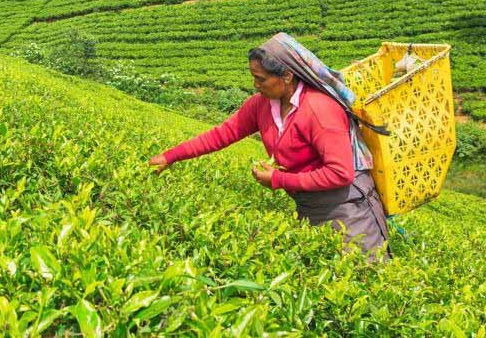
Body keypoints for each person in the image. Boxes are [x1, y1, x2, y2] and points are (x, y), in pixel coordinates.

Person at [148, 32, 390, 262]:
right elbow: (222, 134)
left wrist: (278, 179)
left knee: (362, 274)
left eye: (261, 78)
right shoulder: (262, 105)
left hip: (349, 209)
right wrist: (170, 157)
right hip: (309, 204)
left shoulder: (319, 110)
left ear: (287, 76)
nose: (255, 84)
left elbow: (340, 173)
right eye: (253, 76)